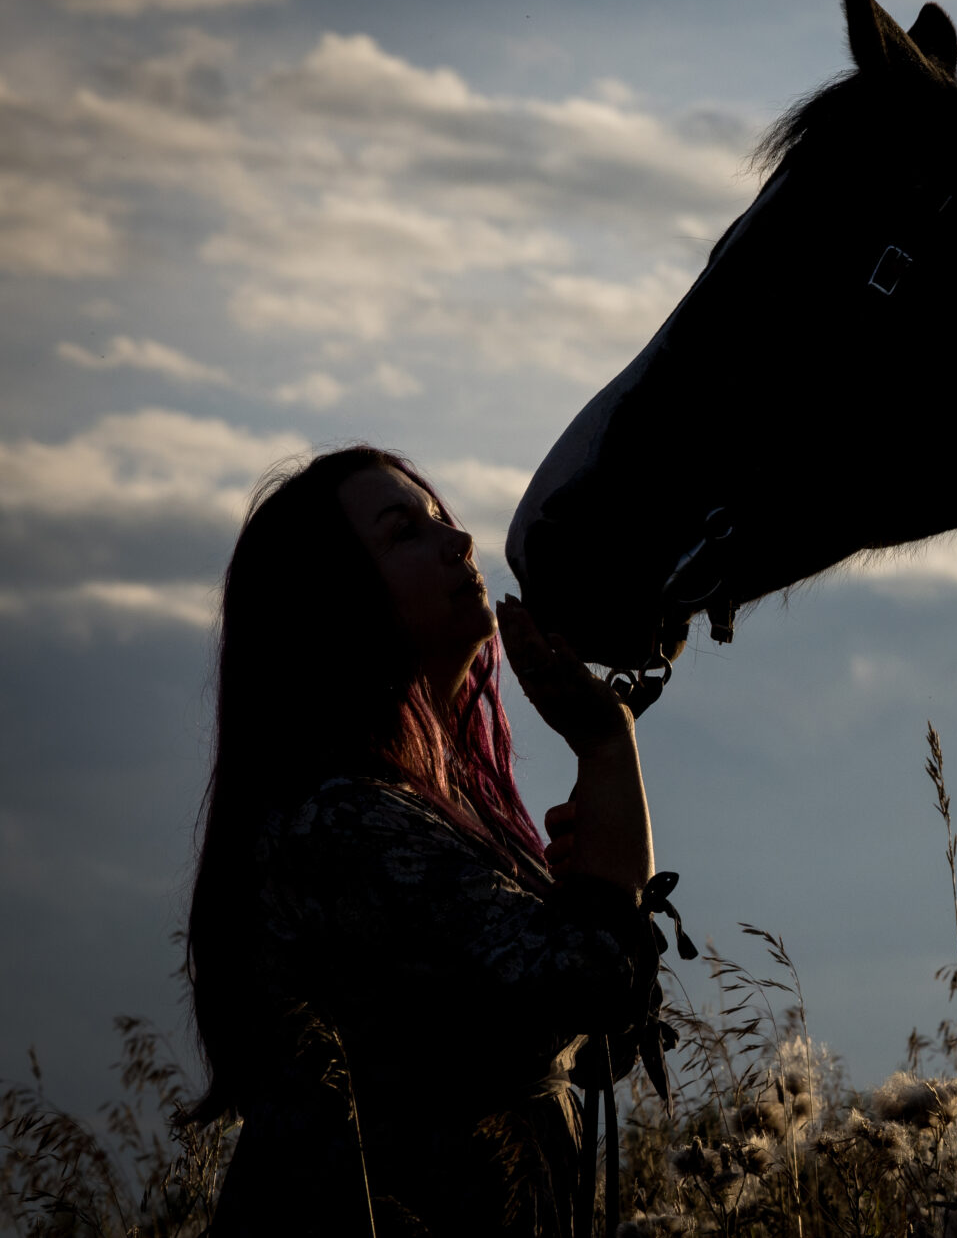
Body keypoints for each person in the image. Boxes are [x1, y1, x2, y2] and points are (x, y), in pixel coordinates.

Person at [181, 445, 681, 1237]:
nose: (459, 542)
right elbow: (591, 979)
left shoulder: (431, 814)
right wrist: (606, 747)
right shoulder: (340, 823)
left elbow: (596, 1038)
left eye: (443, 518)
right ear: (332, 600)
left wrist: (573, 892)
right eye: (404, 533)